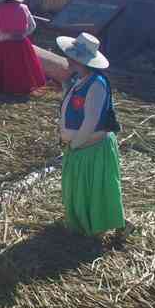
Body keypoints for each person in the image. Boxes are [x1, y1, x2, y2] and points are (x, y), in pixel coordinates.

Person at [57, 32, 134, 241]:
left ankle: (112, 225)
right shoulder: (80, 79)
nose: (66, 57)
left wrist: (76, 143)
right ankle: (83, 223)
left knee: (97, 189)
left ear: (79, 59)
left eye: (70, 55)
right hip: (80, 146)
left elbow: (91, 120)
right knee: (80, 188)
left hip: (91, 146)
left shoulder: (97, 84)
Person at [0, 0, 47, 94]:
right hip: (21, 42)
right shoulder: (24, 7)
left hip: (4, 42)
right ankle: (22, 86)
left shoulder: (0, 8)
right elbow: (33, 25)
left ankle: (2, 86)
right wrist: (23, 34)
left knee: (4, 64)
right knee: (22, 65)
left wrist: (3, 34)